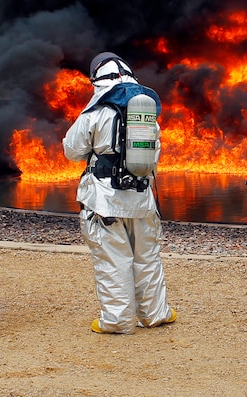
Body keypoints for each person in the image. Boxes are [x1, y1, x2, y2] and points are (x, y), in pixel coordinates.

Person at [62, 52, 176, 334]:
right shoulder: (147, 115)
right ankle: (155, 314)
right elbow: (155, 158)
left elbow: (71, 150)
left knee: (114, 259)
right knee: (147, 257)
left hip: (104, 199)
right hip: (142, 197)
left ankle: (116, 320)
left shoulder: (96, 112)